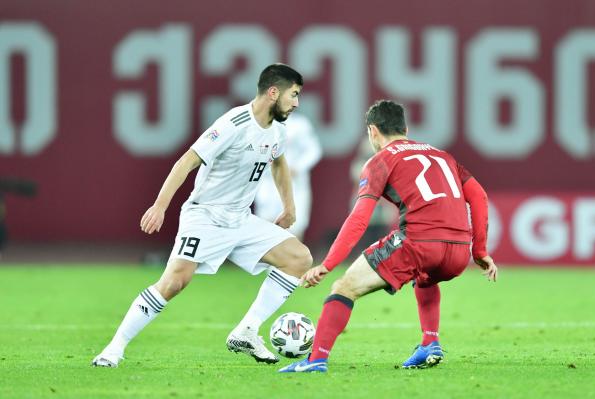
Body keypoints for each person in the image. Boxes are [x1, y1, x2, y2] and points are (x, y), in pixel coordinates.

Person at [92, 63, 312, 367]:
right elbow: (187, 161)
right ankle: (113, 349)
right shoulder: (233, 124)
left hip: (240, 219)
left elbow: (278, 163)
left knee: (298, 258)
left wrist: (289, 207)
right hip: (206, 217)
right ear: (273, 92)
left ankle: (247, 330)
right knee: (174, 283)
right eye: (294, 94)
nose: (297, 103)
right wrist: (160, 205)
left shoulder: (277, 131)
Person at [279, 100, 498, 373]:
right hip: (458, 252)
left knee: (344, 288)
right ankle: (430, 342)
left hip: (418, 243)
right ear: (405, 128)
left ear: (372, 131)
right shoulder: (444, 156)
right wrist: (480, 251)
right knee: (426, 277)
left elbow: (359, 219)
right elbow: (478, 196)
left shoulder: (380, 161)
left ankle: (316, 360)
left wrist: (328, 264)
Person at [254, 113, 322, 239]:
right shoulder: (260, 123)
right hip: (269, 184)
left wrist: (298, 167)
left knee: (295, 229)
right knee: (265, 227)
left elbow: (314, 150)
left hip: (294, 184)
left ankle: (295, 258)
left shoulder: (300, 124)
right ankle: (266, 259)